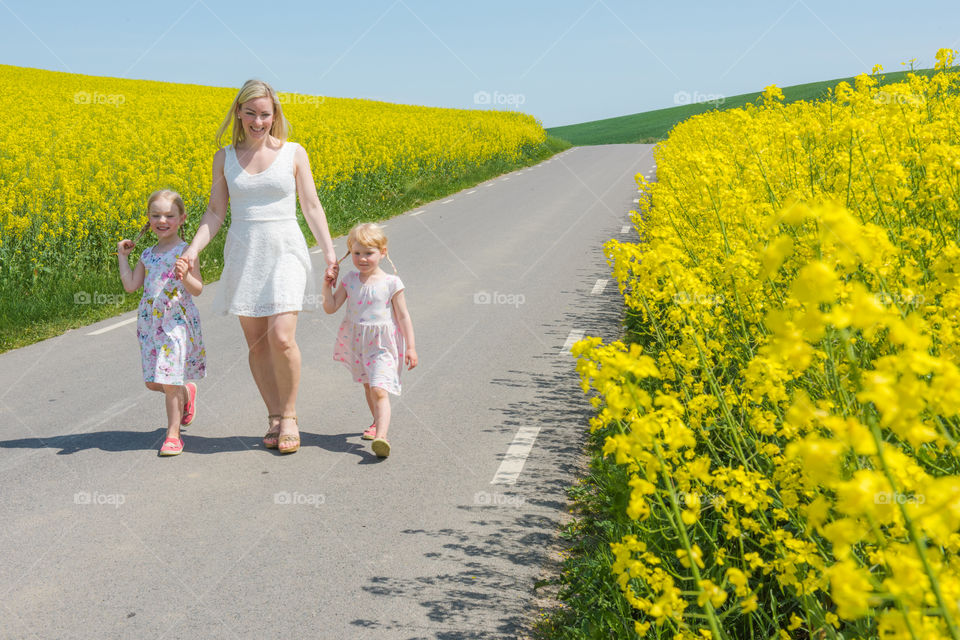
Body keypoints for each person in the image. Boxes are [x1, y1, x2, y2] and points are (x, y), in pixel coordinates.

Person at [176, 79, 338, 454]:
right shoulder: (224, 158)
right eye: (250, 113)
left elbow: (312, 207)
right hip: (244, 251)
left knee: (282, 337)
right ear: (239, 113)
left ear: (275, 115)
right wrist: (192, 250)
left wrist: (329, 251)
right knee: (257, 344)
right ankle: (274, 416)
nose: (258, 121)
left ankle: (292, 416)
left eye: (265, 114)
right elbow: (216, 211)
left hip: (285, 249)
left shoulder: (294, 153)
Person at [117, 189, 205, 457]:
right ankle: (186, 394)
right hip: (150, 324)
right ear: (149, 218)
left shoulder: (186, 252)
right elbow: (132, 285)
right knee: (153, 382)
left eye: (169, 215)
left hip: (176, 322)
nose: (162, 220)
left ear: (181, 219)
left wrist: (185, 276)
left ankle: (173, 436)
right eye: (156, 215)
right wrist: (122, 257)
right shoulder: (148, 254)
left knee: (168, 381)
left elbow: (198, 288)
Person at [322, 222, 417, 458]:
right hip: (358, 343)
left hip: (383, 344)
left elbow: (403, 316)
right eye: (356, 253)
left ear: (382, 252)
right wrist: (326, 286)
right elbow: (331, 307)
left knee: (379, 389)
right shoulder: (350, 280)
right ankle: (376, 422)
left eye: (368, 253)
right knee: (368, 385)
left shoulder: (392, 283)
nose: (362, 259)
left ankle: (381, 437)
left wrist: (411, 347)